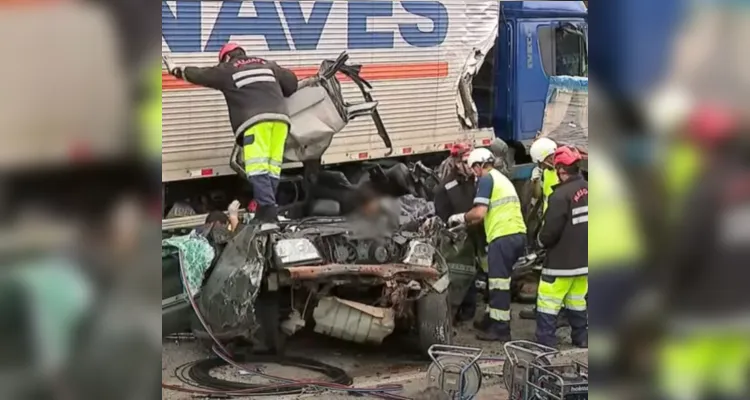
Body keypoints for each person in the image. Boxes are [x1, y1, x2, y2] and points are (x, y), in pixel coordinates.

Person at [165, 43, 299, 222]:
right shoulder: (267, 64)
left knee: (257, 168)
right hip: (281, 120)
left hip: (255, 122)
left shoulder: (228, 69)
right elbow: (291, 84)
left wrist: (176, 70)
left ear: (227, 57)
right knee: (272, 168)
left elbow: (201, 75)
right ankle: (266, 208)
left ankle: (267, 212)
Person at [448, 148, 527, 341]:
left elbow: (479, 213)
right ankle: (491, 319)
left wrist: (459, 218)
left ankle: (500, 329)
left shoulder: (486, 179)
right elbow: (483, 217)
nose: (473, 173)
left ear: (479, 165)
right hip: (516, 234)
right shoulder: (500, 179)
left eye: (473, 168)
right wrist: (467, 223)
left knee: (498, 284)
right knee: (498, 280)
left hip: (503, 236)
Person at [534, 146, 588, 348]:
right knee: (577, 300)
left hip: (561, 262)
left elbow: (550, 231)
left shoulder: (559, 196)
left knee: (548, 301)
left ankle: (546, 342)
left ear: (561, 170)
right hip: (585, 261)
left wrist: (539, 242)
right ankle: (581, 338)